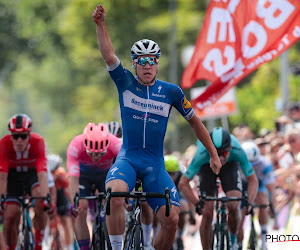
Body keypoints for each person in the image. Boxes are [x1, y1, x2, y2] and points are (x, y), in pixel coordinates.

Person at [92, 4, 221, 250]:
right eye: (142, 61)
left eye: (152, 61)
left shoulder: (171, 92)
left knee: (172, 218)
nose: (148, 66)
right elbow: (109, 56)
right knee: (114, 193)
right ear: (134, 64)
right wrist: (101, 25)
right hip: (128, 159)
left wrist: (213, 154)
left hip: (154, 165)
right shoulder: (125, 82)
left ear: (158, 63)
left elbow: (195, 122)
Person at [178, 127, 258, 250]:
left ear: (230, 149)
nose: (220, 158)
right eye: (216, 153)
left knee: (233, 205)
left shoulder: (237, 150)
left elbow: (253, 180)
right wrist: (197, 204)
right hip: (207, 166)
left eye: (224, 153)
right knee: (207, 212)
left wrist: (249, 202)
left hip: (229, 167)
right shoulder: (202, 153)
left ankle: (232, 242)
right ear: (209, 149)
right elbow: (183, 183)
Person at [0, 113, 54, 250]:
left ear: (29, 135)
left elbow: (42, 173)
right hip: (12, 177)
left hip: (32, 175)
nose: (19, 140)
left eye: (23, 136)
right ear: (10, 135)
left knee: (40, 200)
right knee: (11, 213)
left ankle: (38, 244)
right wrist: (1, 200)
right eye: (15, 136)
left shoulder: (38, 142)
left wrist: (46, 199)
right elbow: (2, 177)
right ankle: (10, 247)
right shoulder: (4, 143)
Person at [67, 122, 122, 250]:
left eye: (100, 154)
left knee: (113, 203)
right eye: (91, 153)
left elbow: (125, 171)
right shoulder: (76, 145)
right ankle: (84, 248)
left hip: (106, 175)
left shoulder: (116, 144)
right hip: (83, 176)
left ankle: (115, 245)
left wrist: (125, 198)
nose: (96, 157)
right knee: (81, 208)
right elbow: (73, 177)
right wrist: (75, 204)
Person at [238, 141, 276, 250]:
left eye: (254, 164)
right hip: (242, 186)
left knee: (263, 201)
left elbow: (271, 188)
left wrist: (271, 206)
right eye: (248, 164)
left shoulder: (265, 164)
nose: (251, 167)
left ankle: (264, 239)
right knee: (238, 215)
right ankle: (239, 244)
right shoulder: (236, 164)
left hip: (259, 184)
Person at [164, 154, 196, 250]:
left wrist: (191, 214)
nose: (170, 177)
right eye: (168, 173)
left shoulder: (181, 177)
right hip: (162, 196)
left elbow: (188, 197)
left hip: (177, 196)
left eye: (173, 174)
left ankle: (179, 236)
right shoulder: (159, 177)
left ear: (177, 173)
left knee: (183, 206)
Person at [47, 154, 74, 250]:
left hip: (61, 199)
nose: (52, 175)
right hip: (49, 197)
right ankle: (48, 238)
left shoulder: (61, 175)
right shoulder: (44, 174)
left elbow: (68, 192)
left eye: (53, 172)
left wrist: (72, 204)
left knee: (66, 222)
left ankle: (69, 247)